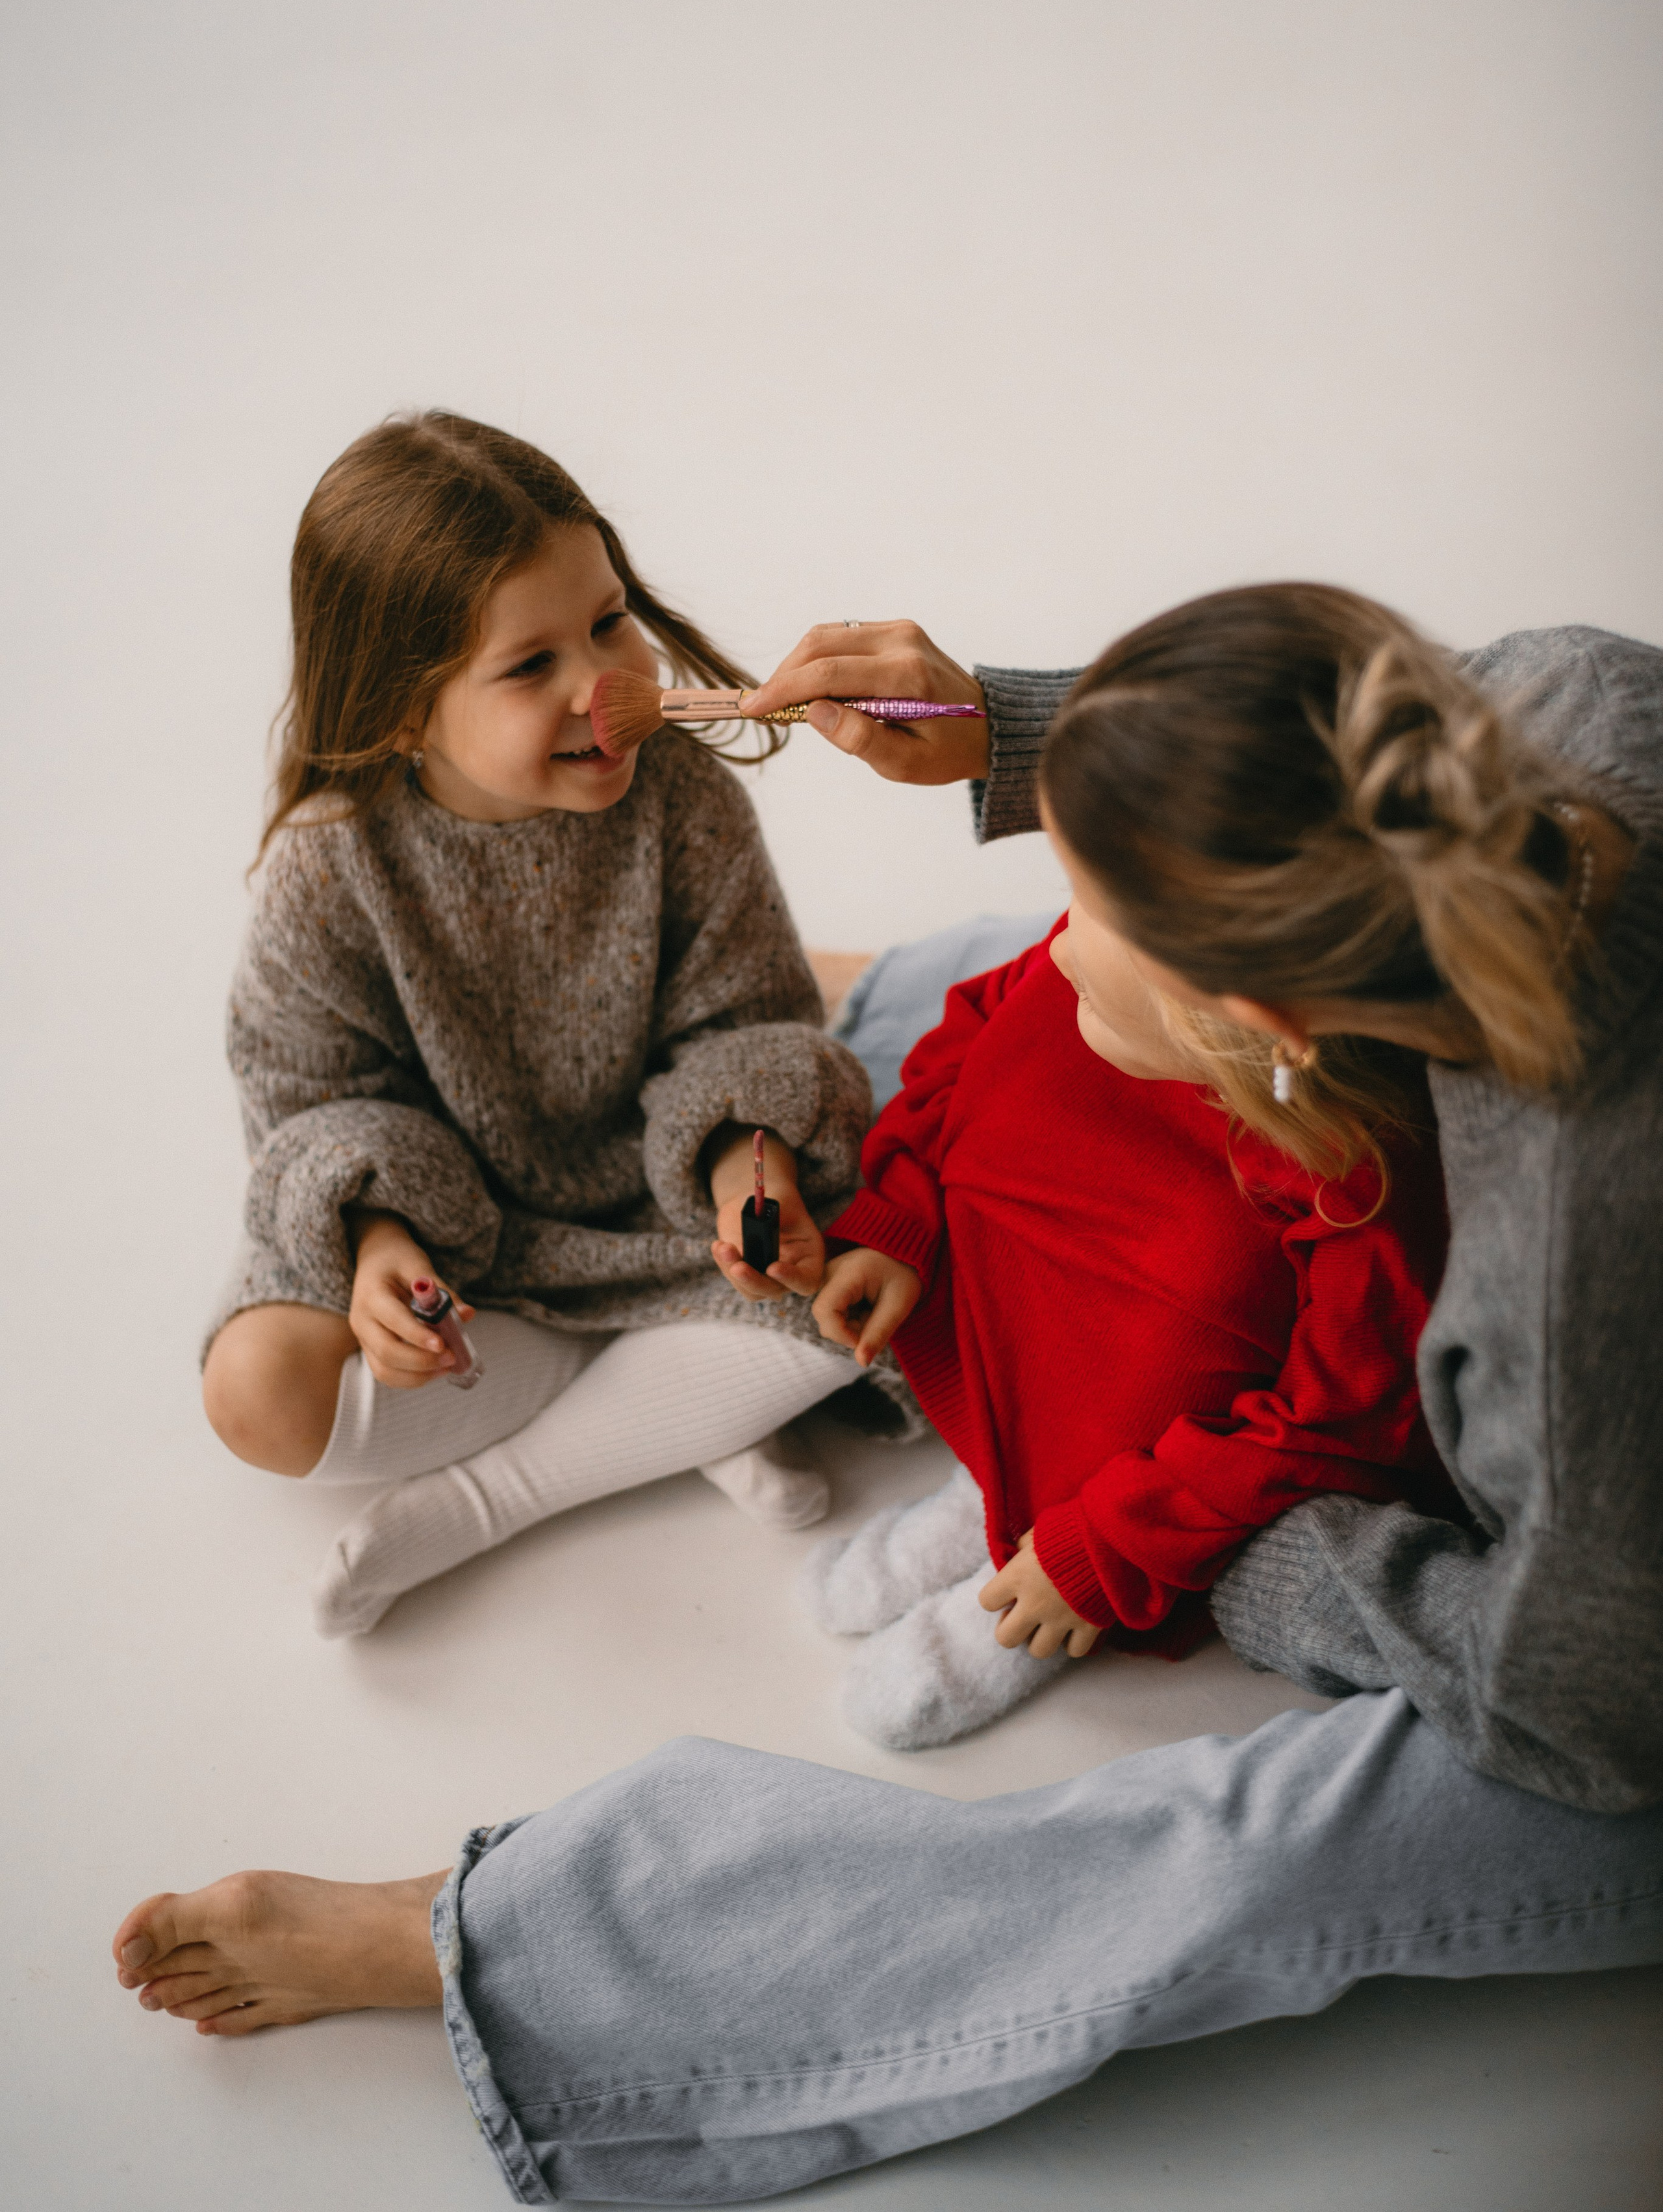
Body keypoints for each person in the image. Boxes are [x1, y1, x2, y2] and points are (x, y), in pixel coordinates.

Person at [115, 586, 1663, 2210]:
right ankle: (818, 1033)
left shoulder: (1566, 1285)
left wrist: (1169, 1526)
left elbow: (1570, 1704)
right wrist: (1012, 729)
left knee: (1241, 1855)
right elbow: (1329, 743)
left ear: (1268, 1026)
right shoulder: (1584, 705)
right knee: (1034, 1006)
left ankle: (532, 1945)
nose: (1063, 925)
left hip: (1598, 1659)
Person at [201, 411, 878, 1641]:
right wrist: (377, 1254)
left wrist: (747, 1175)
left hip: (654, 1212)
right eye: (529, 667)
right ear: (402, 714)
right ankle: (666, 1405)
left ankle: (493, 1495)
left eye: (609, 622)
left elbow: (744, 1023)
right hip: (465, 1250)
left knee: (859, 1305)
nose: (604, 686)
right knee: (255, 1392)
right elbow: (309, 1102)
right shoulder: (334, 864)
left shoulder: (682, 796)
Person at [784, 849, 1447, 1749]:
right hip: (1037, 1315)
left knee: (1195, 1306)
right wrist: (898, 1216)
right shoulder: (1082, 962)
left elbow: (1343, 1419)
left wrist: (1114, 1546)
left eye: (1095, 921)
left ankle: (1046, 1559)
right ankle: (991, 1486)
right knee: (1025, 1051)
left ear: (1242, 1014)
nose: (1057, 948)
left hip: (1164, 1449)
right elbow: (976, 1022)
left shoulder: (1354, 1179)